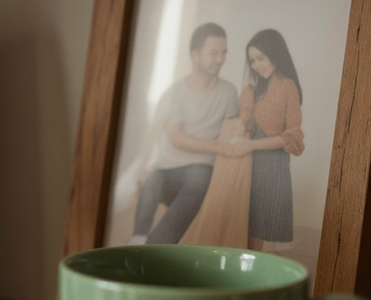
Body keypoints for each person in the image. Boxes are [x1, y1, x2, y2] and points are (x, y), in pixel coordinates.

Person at [130, 22, 239, 244]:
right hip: (167, 167)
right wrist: (143, 169)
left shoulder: (228, 92)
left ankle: (155, 248)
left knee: (198, 178)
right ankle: (137, 241)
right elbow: (176, 138)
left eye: (223, 53)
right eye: (213, 53)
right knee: (151, 184)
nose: (220, 59)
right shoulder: (175, 93)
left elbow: (231, 132)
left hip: (200, 169)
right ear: (195, 55)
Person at [225, 29, 304, 250]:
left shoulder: (288, 87)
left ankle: (253, 275)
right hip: (246, 160)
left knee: (257, 230)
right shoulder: (251, 89)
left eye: (261, 58)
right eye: (252, 61)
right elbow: (244, 124)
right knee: (242, 226)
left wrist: (251, 145)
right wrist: (243, 125)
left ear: (275, 53)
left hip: (271, 163)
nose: (257, 65)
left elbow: (292, 135)